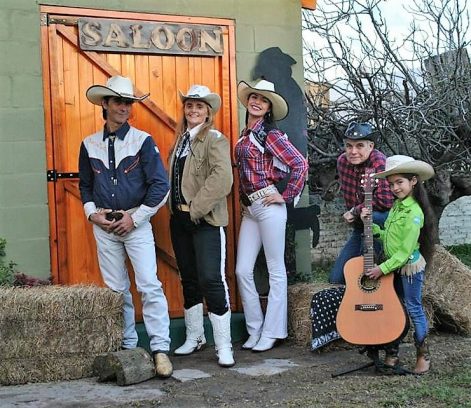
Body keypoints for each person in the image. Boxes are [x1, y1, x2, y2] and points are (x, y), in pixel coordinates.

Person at [78, 75, 173, 378]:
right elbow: (85, 186)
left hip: (136, 220)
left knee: (148, 283)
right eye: (118, 101)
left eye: (128, 102)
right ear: (104, 103)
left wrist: (136, 217)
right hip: (104, 224)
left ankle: (160, 349)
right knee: (116, 289)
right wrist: (93, 214)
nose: (124, 107)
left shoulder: (142, 140)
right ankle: (128, 347)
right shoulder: (88, 144)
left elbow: (161, 186)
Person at [235, 79, 308, 352]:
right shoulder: (245, 135)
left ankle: (273, 330)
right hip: (250, 208)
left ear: (268, 109)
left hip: (269, 205)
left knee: (276, 269)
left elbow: (299, 164)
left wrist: (286, 196)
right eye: (253, 97)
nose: (256, 102)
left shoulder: (270, 135)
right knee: (242, 270)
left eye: (262, 100)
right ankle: (255, 329)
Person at [168, 85, 235, 367]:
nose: (193, 110)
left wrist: (195, 210)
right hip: (179, 220)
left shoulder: (215, 139)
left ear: (209, 112)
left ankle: (224, 345)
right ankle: (195, 337)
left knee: (211, 279)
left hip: (205, 219)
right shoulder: (180, 141)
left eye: (199, 106)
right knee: (189, 278)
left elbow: (222, 179)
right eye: (189, 105)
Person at [361, 155, 436, 374]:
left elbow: (404, 252)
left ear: (413, 181)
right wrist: (373, 228)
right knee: (393, 307)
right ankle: (391, 353)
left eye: (399, 182)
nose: (395, 188)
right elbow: (388, 237)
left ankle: (423, 354)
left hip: (407, 268)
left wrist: (381, 269)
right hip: (392, 266)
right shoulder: (397, 206)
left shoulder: (414, 213)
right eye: (391, 183)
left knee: (413, 307)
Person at [329, 122, 394, 285]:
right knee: (337, 279)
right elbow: (348, 197)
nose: (353, 151)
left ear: (371, 146)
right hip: (360, 226)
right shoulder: (342, 162)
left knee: (377, 217)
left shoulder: (378, 160)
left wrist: (355, 210)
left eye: (359, 146)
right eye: (348, 146)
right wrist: (355, 213)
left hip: (383, 226)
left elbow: (385, 201)